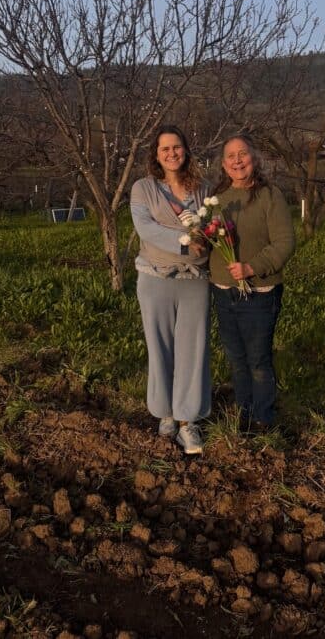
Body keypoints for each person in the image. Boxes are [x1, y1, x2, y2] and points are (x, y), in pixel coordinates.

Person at [130, 125, 211, 455]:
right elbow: (145, 228)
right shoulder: (143, 188)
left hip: (195, 281)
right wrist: (184, 240)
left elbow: (212, 229)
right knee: (159, 347)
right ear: (156, 154)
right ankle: (164, 412)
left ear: (186, 151)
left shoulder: (203, 190)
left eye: (177, 147)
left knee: (193, 351)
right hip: (155, 278)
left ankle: (187, 421)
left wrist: (201, 240)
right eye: (165, 148)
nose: (172, 153)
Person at [209, 134, 295, 431]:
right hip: (223, 292)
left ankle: (263, 419)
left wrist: (251, 267)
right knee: (236, 359)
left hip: (259, 292)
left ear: (254, 158)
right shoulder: (217, 199)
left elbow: (284, 242)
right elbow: (210, 239)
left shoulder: (270, 195)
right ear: (223, 164)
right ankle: (243, 414)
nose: (237, 160)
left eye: (242, 154)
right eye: (230, 156)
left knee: (258, 361)